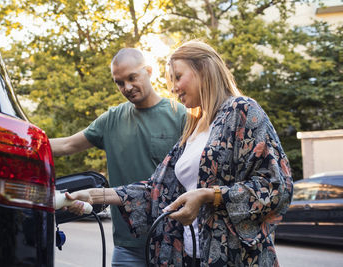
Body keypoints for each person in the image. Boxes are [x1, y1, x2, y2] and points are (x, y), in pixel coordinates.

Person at [66, 40, 293, 266]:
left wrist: (209, 195)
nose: (173, 88)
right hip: (190, 256)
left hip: (234, 258)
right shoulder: (194, 125)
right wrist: (93, 195)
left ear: (203, 69)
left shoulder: (242, 111)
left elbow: (276, 187)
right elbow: (158, 190)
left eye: (177, 77)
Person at [50, 48, 186, 266]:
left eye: (132, 78)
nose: (127, 88)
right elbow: (67, 144)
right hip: (127, 247)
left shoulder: (180, 115)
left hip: (173, 243)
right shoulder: (111, 120)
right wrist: (21, 143)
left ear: (149, 71)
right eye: (120, 82)